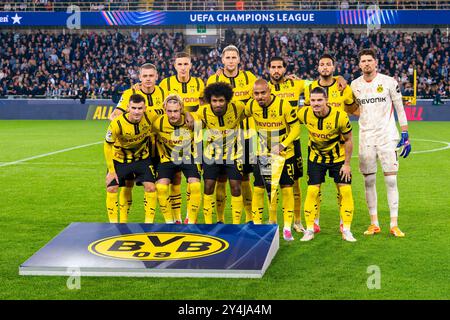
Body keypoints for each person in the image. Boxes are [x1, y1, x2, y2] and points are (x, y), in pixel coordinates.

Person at [350, 48, 411, 237]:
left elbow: (399, 107)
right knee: (369, 180)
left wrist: (405, 133)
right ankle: (374, 223)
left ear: (376, 62)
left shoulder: (389, 82)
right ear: (359, 64)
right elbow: (350, 107)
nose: (366, 63)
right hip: (366, 137)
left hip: (387, 136)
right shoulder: (354, 85)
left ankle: (394, 223)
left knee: (391, 180)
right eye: (363, 61)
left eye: (369, 60)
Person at [303, 53, 357, 234]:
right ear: (318, 68)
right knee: (314, 189)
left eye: (328, 64)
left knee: (342, 188)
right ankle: (314, 221)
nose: (325, 67)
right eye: (322, 64)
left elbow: (353, 109)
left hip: (339, 148)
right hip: (317, 147)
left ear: (333, 68)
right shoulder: (310, 88)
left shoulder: (343, 87)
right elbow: (307, 111)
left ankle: (344, 221)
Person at [108, 63, 166, 223]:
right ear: (139, 77)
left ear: (156, 77)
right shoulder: (129, 93)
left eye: (151, 76)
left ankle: (170, 220)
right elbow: (116, 114)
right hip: (135, 145)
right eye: (145, 76)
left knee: (160, 184)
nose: (148, 79)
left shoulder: (163, 92)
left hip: (157, 145)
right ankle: (122, 221)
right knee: (127, 184)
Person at [244, 79, 300, 241]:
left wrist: (283, 145)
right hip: (262, 154)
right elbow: (240, 112)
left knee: (286, 188)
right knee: (259, 189)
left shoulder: (284, 105)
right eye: (256, 94)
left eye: (263, 93)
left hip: (284, 155)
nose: (260, 96)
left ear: (269, 92)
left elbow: (296, 128)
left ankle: (287, 228)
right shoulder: (251, 106)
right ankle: (257, 225)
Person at [206, 45, 257, 223]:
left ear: (239, 60)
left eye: (233, 57)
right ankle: (220, 218)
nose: (230, 60)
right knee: (221, 178)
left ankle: (249, 217)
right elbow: (206, 103)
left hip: (247, 134)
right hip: (222, 137)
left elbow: (259, 95)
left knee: (244, 177)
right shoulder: (214, 79)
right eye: (227, 57)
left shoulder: (249, 77)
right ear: (222, 60)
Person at [159, 52, 205, 224]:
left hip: (194, 138)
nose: (183, 67)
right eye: (180, 64)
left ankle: (189, 217)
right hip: (172, 139)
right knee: (175, 179)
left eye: (186, 64)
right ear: (174, 65)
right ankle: (177, 218)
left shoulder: (199, 83)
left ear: (191, 65)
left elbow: (204, 108)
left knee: (194, 179)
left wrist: (193, 117)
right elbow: (162, 106)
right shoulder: (166, 84)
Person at [194, 82, 245, 224]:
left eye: (221, 100)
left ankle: (235, 225)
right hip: (211, 156)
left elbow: (254, 109)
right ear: (209, 100)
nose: (217, 104)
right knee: (209, 186)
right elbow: (193, 125)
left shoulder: (238, 108)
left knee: (235, 187)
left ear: (227, 100)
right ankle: (211, 223)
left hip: (233, 155)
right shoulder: (202, 112)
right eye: (214, 101)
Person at [104, 94, 157, 223]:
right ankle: (115, 224)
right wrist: (111, 171)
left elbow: (168, 110)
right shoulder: (117, 123)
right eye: (134, 108)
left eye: (140, 108)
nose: (137, 111)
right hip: (120, 160)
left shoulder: (151, 116)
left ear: (145, 108)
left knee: (151, 187)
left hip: (142, 159)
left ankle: (148, 224)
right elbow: (107, 145)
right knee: (111, 187)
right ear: (128, 108)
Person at [267, 56, 305, 232]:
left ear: (285, 69)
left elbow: (318, 83)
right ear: (268, 69)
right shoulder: (263, 89)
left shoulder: (295, 84)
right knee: (271, 185)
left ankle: (297, 221)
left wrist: (340, 78)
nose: (276, 70)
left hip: (292, 142)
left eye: (279, 67)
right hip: (270, 144)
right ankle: (272, 222)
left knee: (294, 183)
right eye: (273, 67)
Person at [152, 94, 202, 224]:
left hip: (188, 157)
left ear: (181, 109)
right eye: (169, 111)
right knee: (162, 188)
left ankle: (190, 221)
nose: (173, 114)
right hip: (167, 159)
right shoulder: (158, 123)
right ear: (164, 109)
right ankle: (171, 222)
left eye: (176, 111)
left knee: (195, 185)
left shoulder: (192, 121)